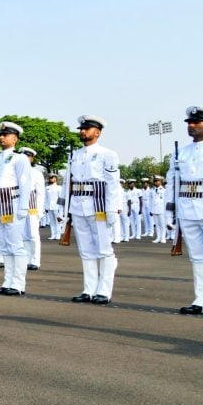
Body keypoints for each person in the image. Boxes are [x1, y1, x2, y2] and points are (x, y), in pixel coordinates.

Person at [165, 106, 203, 317]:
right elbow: (171, 181)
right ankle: (201, 300)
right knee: (198, 257)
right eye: (189, 123)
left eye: (196, 123)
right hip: (187, 209)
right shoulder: (181, 152)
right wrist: (170, 212)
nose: (191, 126)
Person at [67, 115, 122, 305]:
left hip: (99, 206)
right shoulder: (75, 155)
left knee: (104, 250)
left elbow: (113, 184)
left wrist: (112, 209)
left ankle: (104, 291)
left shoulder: (108, 154)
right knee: (86, 250)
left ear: (97, 132)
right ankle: (88, 289)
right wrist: (65, 209)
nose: (83, 131)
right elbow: (70, 183)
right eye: (81, 128)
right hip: (78, 206)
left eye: (87, 128)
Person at [0, 122, 32, 297]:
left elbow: (25, 183)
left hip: (11, 203)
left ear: (15, 138)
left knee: (15, 246)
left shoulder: (20, 159)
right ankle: (7, 282)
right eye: (1, 134)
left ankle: (18, 284)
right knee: (4, 246)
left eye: (6, 135)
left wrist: (23, 207)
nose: (2, 137)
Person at [20, 147, 46, 271]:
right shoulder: (16, 172)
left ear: (31, 158)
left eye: (28, 157)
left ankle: (35, 261)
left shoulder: (36, 173)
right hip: (20, 208)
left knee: (34, 236)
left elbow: (40, 193)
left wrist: (40, 211)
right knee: (23, 236)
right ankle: (25, 259)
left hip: (32, 208)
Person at [43, 173, 64, 241]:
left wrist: (61, 208)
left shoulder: (59, 188)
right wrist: (45, 207)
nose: (50, 179)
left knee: (58, 221)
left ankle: (58, 235)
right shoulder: (47, 188)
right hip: (49, 207)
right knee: (52, 222)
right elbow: (45, 198)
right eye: (50, 177)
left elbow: (61, 198)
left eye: (52, 177)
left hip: (57, 207)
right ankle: (53, 235)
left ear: (55, 178)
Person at [149, 175, 167, 244]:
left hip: (162, 209)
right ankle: (158, 237)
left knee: (162, 224)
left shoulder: (164, 190)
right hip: (154, 209)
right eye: (154, 181)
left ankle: (163, 238)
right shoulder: (152, 190)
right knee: (157, 224)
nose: (155, 182)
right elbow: (150, 201)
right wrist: (150, 210)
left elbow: (166, 201)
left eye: (157, 181)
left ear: (161, 181)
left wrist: (166, 210)